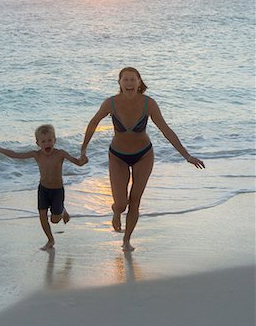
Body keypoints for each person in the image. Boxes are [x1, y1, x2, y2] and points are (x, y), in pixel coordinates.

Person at [81, 67, 204, 252]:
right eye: (126, 80)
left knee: (135, 201)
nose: (129, 83)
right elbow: (93, 123)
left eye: (133, 79)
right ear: (119, 83)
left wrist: (186, 155)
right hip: (117, 156)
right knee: (121, 204)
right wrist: (83, 150)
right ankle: (116, 212)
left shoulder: (149, 104)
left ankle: (127, 240)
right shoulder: (110, 103)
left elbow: (166, 130)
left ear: (139, 82)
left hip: (144, 155)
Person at [0, 124, 88, 250]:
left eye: (49, 140)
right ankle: (50, 240)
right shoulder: (36, 155)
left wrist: (83, 160)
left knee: (55, 220)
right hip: (43, 189)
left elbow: (78, 162)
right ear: (38, 143)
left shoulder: (60, 154)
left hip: (57, 191)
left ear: (55, 140)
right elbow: (15, 155)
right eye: (43, 141)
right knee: (42, 215)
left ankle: (61, 210)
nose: (46, 143)